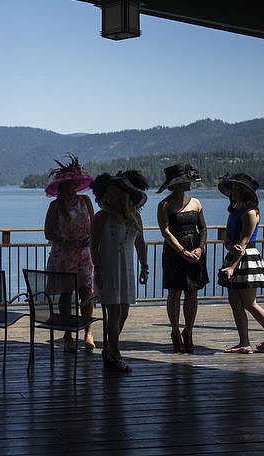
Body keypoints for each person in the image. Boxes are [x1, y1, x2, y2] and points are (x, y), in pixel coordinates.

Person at [217, 173, 264, 354]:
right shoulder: (234, 212)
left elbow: (244, 242)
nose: (234, 192)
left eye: (238, 189)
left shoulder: (250, 213)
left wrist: (232, 266)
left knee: (249, 302)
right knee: (234, 301)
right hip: (234, 256)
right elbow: (229, 239)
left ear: (246, 192)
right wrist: (230, 250)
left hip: (247, 259)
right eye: (233, 189)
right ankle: (244, 342)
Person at [90, 170, 149, 372]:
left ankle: (109, 347)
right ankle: (114, 354)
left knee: (124, 311)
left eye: (115, 193)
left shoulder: (134, 217)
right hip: (108, 269)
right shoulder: (101, 217)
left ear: (124, 196)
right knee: (113, 312)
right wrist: (97, 269)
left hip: (127, 268)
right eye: (108, 193)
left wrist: (144, 265)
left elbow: (140, 243)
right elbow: (94, 245)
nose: (110, 197)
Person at [43, 154, 96, 353]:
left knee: (86, 294)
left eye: (73, 184)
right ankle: (67, 335)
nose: (70, 188)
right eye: (66, 185)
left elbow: (94, 226)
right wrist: (67, 240)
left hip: (84, 255)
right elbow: (48, 232)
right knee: (66, 295)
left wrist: (90, 240)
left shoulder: (86, 202)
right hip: (63, 256)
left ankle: (88, 332)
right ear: (61, 187)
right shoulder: (55, 206)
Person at [156, 163, 209, 353]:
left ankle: (189, 331)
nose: (189, 184)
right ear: (176, 184)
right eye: (185, 181)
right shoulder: (165, 205)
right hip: (174, 253)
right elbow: (166, 232)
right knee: (174, 292)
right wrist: (182, 252)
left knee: (192, 292)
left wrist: (200, 248)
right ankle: (175, 332)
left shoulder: (196, 203)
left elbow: (203, 228)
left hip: (195, 250)